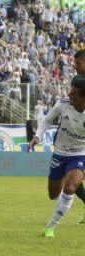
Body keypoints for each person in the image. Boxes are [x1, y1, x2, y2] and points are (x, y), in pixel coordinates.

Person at [27, 78, 85, 238]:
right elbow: (47, 120)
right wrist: (37, 136)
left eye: (73, 94)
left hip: (80, 154)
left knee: (70, 188)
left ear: (83, 98)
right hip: (60, 153)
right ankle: (65, 202)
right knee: (53, 194)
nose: (69, 95)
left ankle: (50, 227)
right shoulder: (63, 104)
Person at [70, 49, 85, 223]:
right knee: (72, 179)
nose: (75, 67)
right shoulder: (76, 81)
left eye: (78, 63)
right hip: (77, 133)